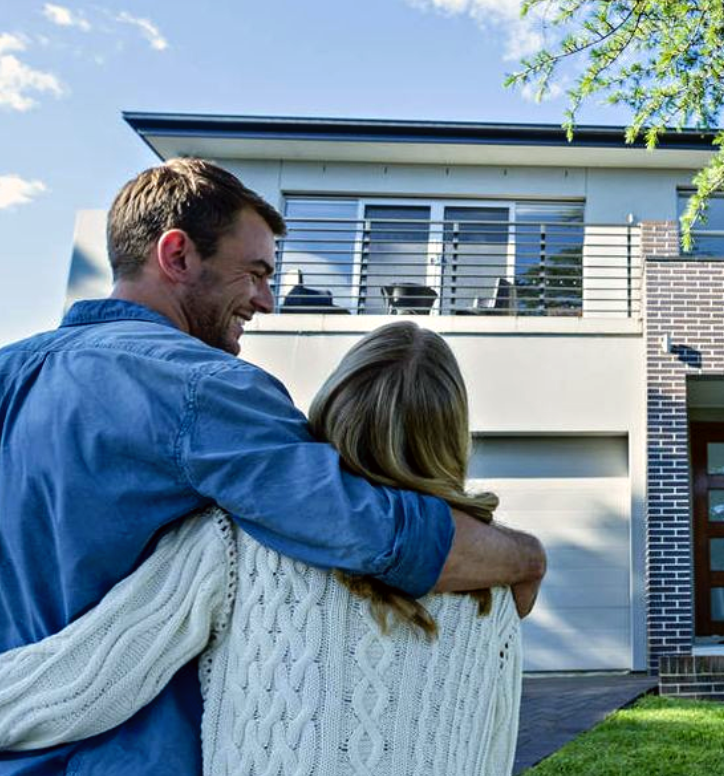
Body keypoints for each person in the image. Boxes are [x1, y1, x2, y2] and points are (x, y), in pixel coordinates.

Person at [0, 159, 544, 775]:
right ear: (176, 255)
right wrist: (524, 557)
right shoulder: (207, 388)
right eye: (254, 273)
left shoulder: (7, 374)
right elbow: (363, 526)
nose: (264, 298)